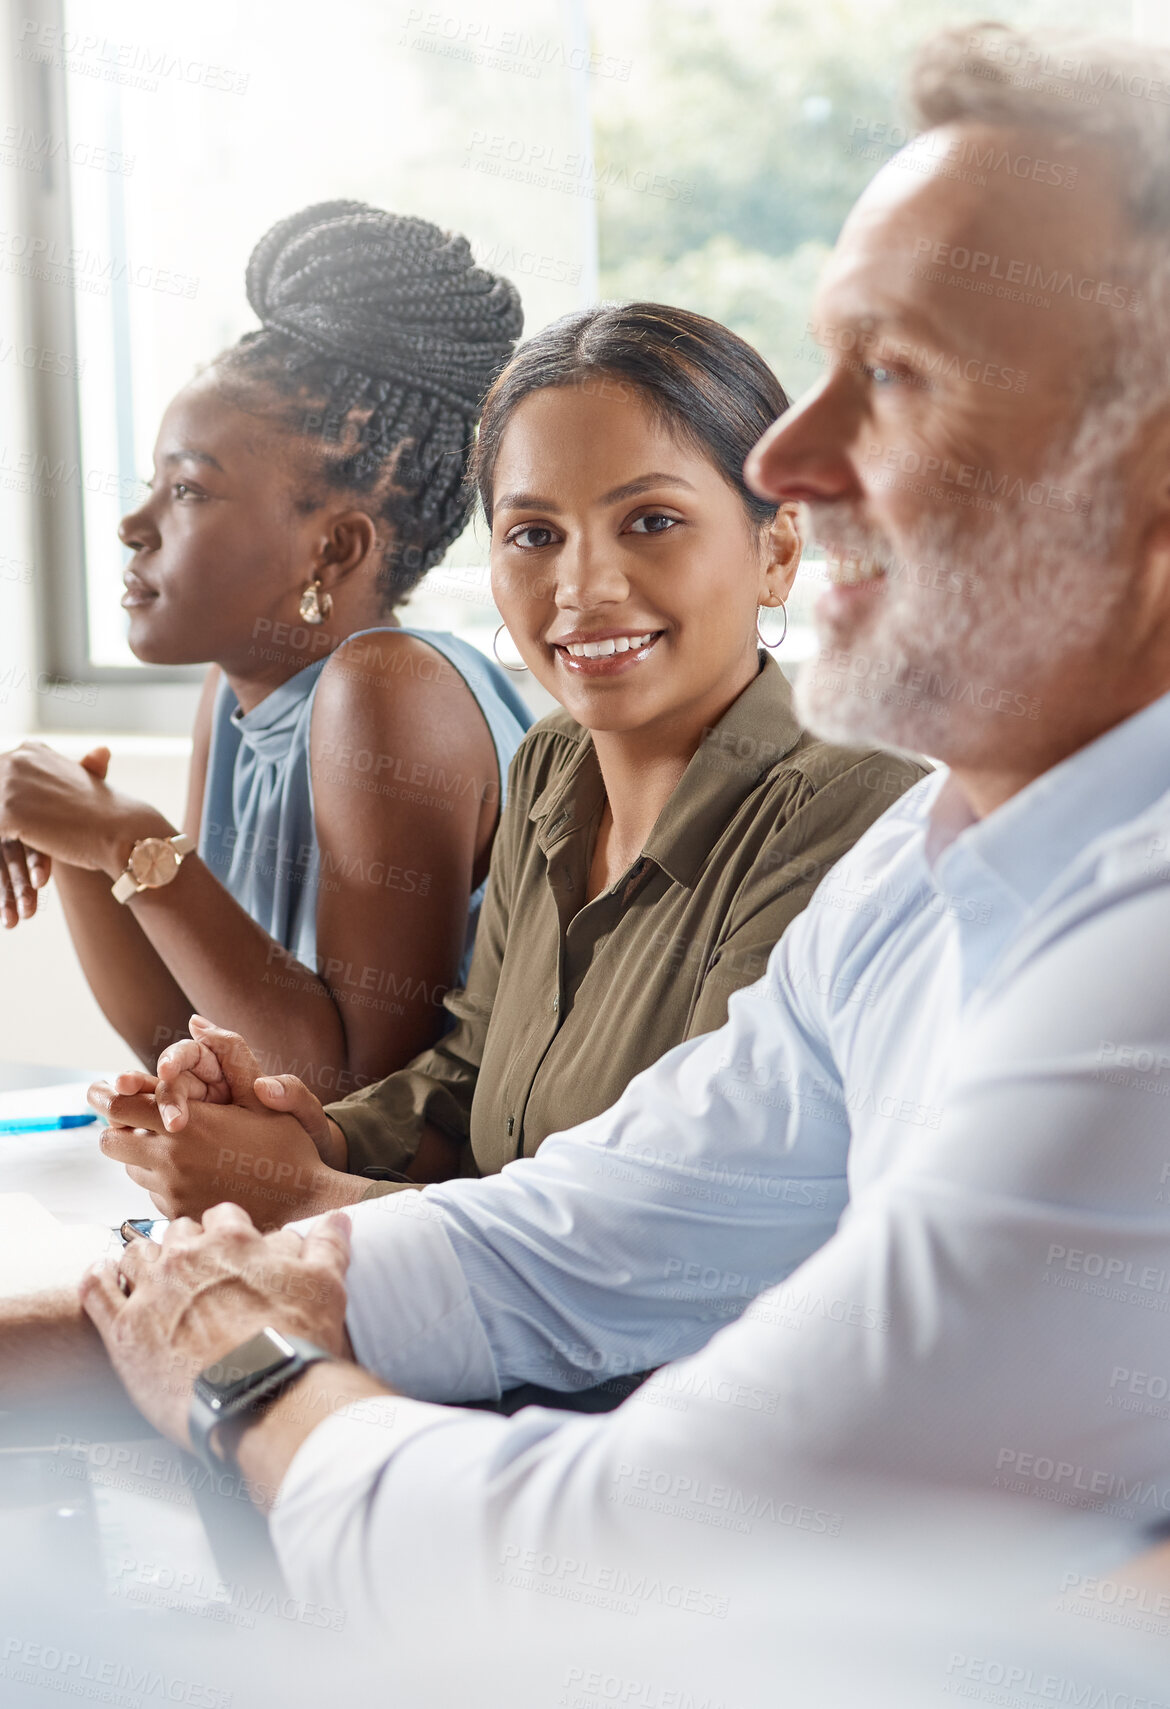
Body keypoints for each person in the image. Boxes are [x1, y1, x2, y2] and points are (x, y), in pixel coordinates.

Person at [9, 16, 1170, 1660]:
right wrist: (185, 1289)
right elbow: (574, 1219)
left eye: (893, 374)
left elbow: (638, 1545)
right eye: (533, 532)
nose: (792, 458)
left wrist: (246, 1362)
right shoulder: (931, 861)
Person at [90, 304, 926, 1231]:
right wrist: (302, 1135)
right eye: (534, 534)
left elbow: (675, 1227)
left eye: (651, 520)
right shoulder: (552, 769)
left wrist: (307, 1196)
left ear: (776, 550)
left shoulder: (856, 817)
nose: (581, 587)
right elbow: (465, 1079)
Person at [0, 202, 530, 1097]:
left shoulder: (388, 689)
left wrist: (128, 836)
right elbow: (193, 1039)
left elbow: (351, 1102)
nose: (135, 526)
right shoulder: (239, 693)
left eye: (188, 491)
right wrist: (87, 839)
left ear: (335, 548)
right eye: (150, 487)